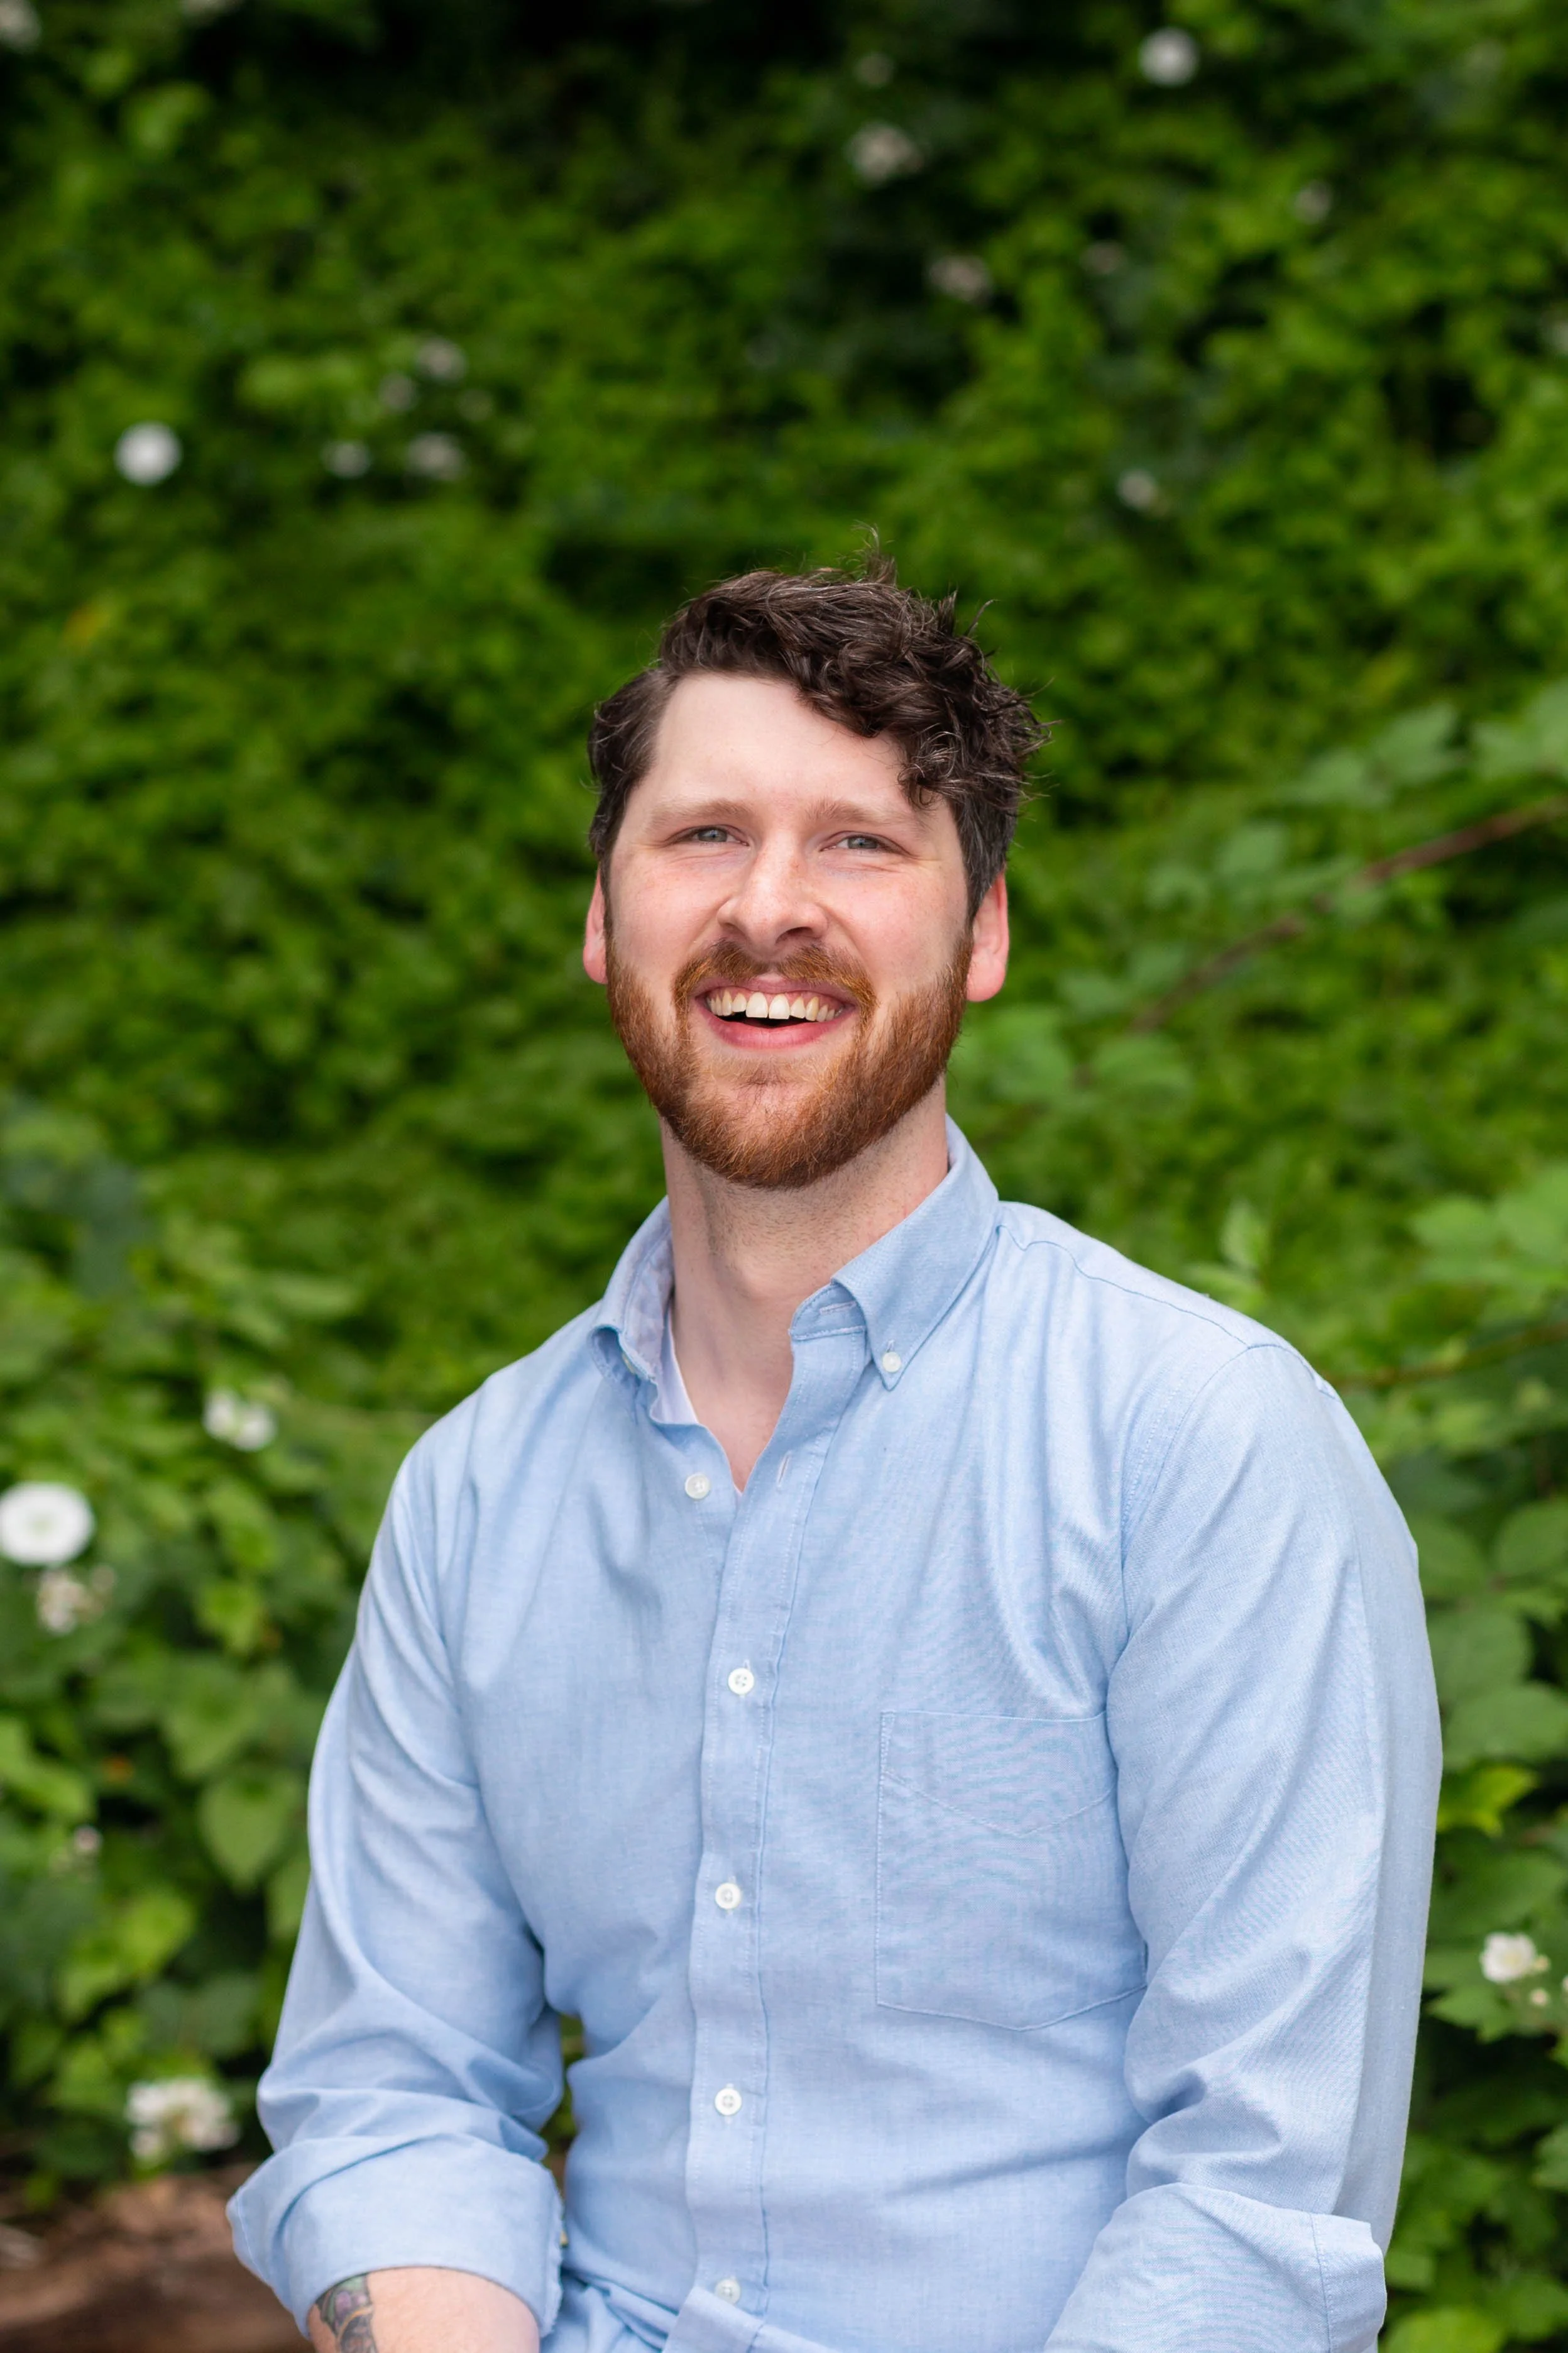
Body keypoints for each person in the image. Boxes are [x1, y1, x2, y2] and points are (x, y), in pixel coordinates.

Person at [230, 564, 1440, 2353]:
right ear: (601, 915)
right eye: (702, 833)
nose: (767, 908)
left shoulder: (1197, 1445)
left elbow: (1260, 2205)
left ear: (983, 936)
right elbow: (393, 2089)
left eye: (860, 846)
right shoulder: (477, 1493)